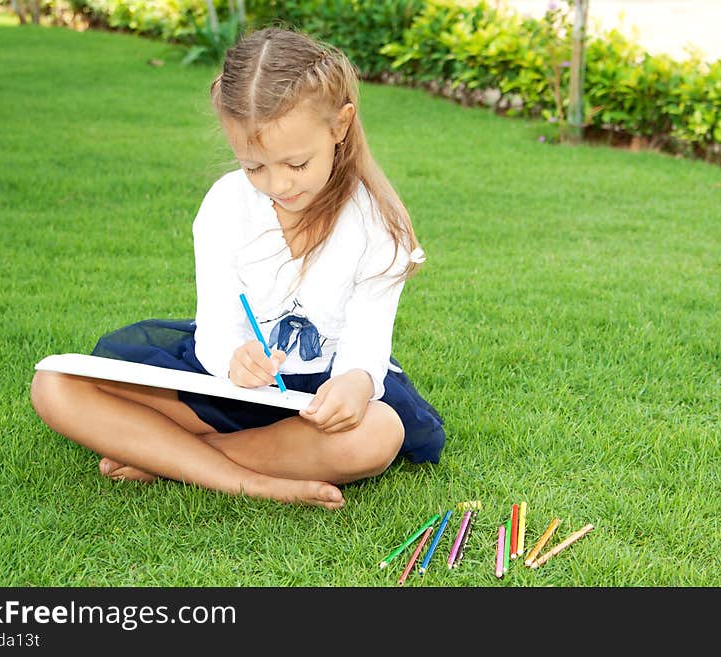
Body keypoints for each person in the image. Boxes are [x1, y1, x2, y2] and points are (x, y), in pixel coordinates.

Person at [30, 27, 445, 510]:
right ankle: (257, 480)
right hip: (225, 390)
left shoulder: (378, 224)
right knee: (55, 385)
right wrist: (233, 358)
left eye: (296, 163)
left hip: (318, 403)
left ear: (340, 126)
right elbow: (216, 330)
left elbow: (367, 348)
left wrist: (355, 383)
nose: (277, 184)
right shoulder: (226, 204)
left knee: (376, 435)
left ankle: (169, 458)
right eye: (255, 167)